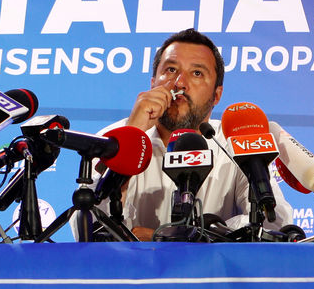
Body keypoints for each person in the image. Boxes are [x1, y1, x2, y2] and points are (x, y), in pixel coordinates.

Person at [90, 28, 292, 241]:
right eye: (170, 70)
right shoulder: (111, 138)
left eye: (197, 73)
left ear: (216, 95)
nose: (179, 83)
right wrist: (130, 137)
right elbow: (88, 227)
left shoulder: (235, 141)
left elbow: (275, 224)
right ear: (152, 82)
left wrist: (176, 238)